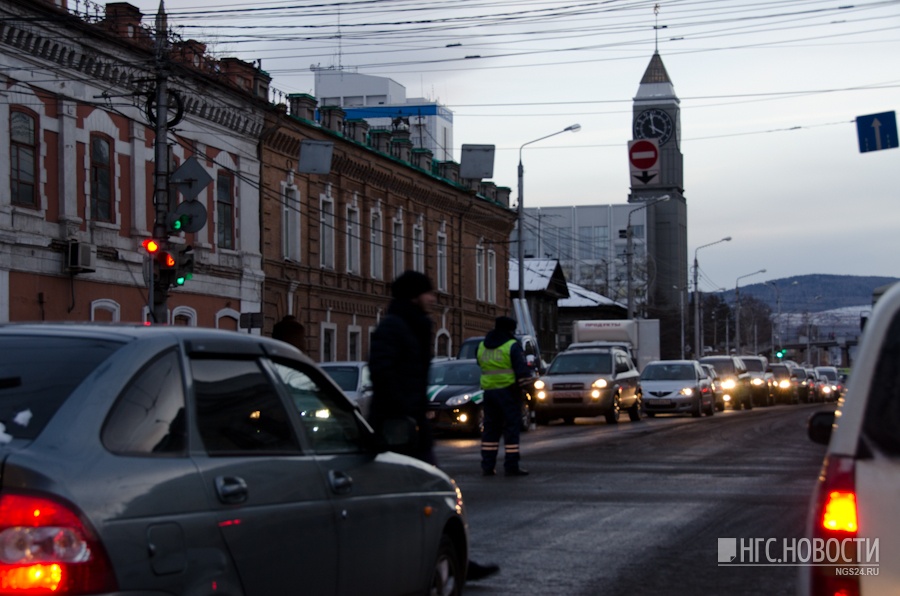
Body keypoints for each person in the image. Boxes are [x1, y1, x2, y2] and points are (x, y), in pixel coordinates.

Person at [368, 270, 499, 582]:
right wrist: (404, 413)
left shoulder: (414, 325)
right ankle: (419, 560)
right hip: (397, 431)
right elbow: (382, 373)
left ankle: (447, 556)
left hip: (412, 429)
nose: (433, 299)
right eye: (429, 294)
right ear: (414, 296)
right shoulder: (394, 328)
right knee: (424, 496)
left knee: (433, 494)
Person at [476, 315, 533, 477]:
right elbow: (522, 373)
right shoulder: (511, 346)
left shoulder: (482, 346)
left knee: (490, 430)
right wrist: (529, 390)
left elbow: (480, 364)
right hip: (508, 392)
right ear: (510, 330)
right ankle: (511, 465)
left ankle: (487, 466)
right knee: (511, 428)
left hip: (489, 393)